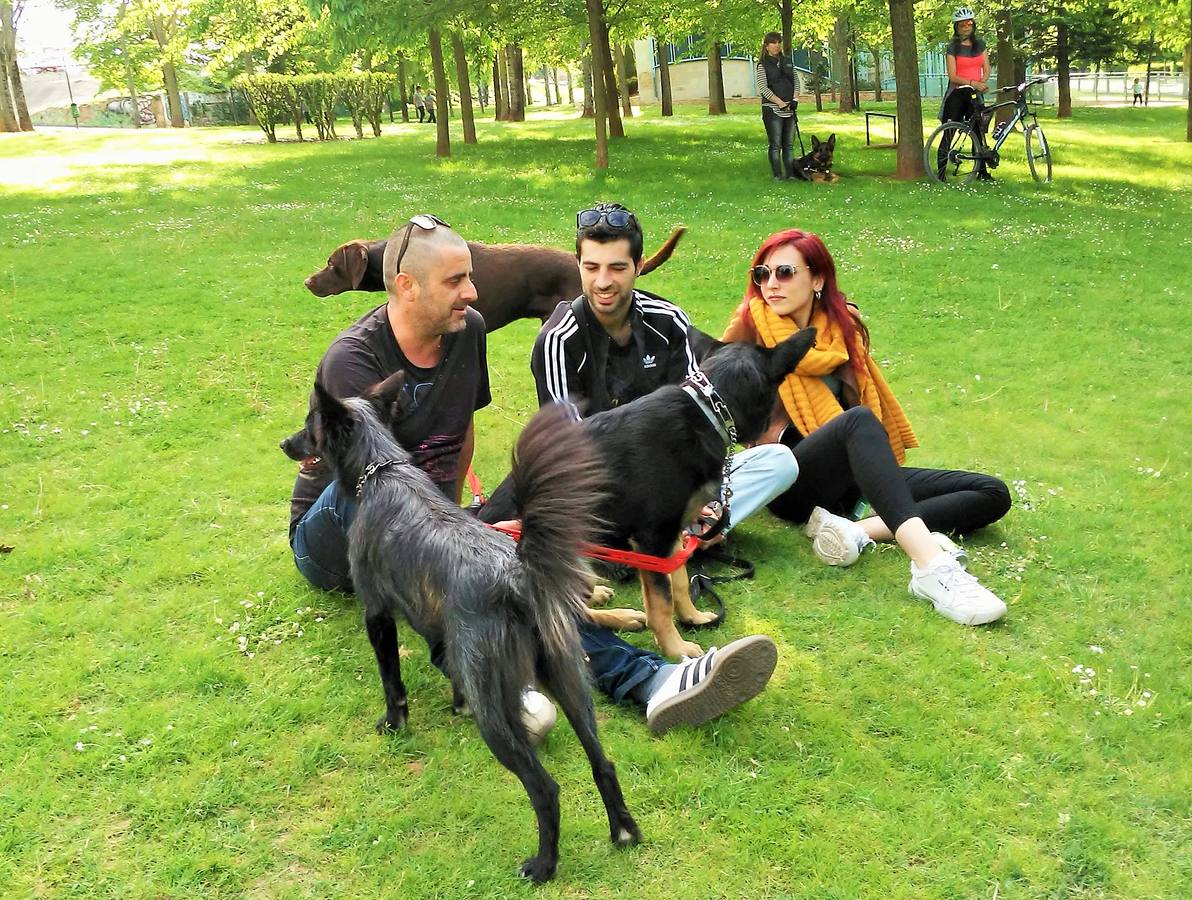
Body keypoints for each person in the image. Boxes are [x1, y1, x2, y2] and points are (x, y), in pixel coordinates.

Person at [288, 214, 775, 737]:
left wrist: (460, 519)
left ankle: (628, 679)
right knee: (466, 565)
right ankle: (555, 678)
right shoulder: (352, 362)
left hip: (426, 518)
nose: (474, 294)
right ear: (406, 286)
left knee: (493, 565)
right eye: (457, 282)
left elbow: (461, 434)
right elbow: (379, 497)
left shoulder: (466, 330)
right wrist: (460, 535)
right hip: (340, 530)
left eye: (470, 277)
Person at [721, 229, 1012, 626]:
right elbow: (712, 400)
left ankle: (856, 532)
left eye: (785, 272)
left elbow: (860, 396)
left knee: (991, 492)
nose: (771, 284)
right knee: (856, 423)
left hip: (853, 475)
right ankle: (932, 569)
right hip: (790, 478)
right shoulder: (748, 328)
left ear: (818, 278)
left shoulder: (843, 326)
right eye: (762, 273)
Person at [938, 6, 993, 181]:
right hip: (958, 93)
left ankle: (982, 171)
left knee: (978, 132)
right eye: (962, 24)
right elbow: (953, 76)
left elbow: (986, 67)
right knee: (950, 130)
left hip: (974, 94)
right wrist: (972, 82)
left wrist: (982, 82)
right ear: (956, 27)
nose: (966, 26)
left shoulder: (981, 45)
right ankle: (940, 173)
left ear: (973, 25)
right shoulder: (952, 47)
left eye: (969, 23)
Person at [756, 32, 801, 181]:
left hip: (789, 108)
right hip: (772, 109)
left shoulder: (787, 62)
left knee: (788, 144)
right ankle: (777, 175)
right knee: (775, 144)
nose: (777, 46)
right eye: (773, 43)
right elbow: (763, 88)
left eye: (778, 42)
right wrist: (779, 102)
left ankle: (790, 175)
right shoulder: (762, 65)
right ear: (766, 46)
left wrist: (794, 99)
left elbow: (796, 81)